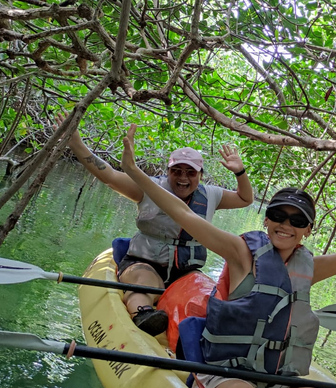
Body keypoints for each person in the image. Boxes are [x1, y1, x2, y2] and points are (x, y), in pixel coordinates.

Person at [119, 124, 336, 388]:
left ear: (307, 230)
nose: (287, 225)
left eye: (297, 221)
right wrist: (135, 172)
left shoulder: (307, 268)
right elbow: (183, 213)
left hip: (273, 378)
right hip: (225, 373)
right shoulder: (240, 253)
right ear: (267, 220)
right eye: (280, 216)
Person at [56, 114, 254, 335]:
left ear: (200, 175)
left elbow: (245, 198)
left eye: (190, 172)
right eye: (176, 171)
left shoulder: (212, 195)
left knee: (204, 298)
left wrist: (240, 172)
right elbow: (109, 176)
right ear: (168, 171)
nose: (183, 178)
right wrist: (76, 144)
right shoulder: (149, 187)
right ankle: (143, 314)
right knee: (147, 283)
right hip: (145, 261)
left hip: (185, 271)